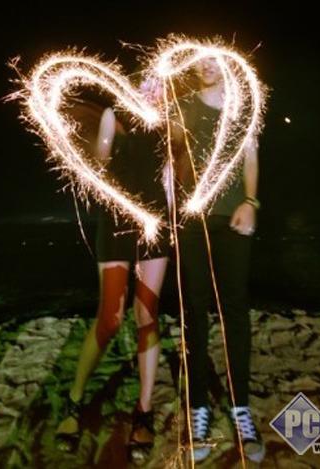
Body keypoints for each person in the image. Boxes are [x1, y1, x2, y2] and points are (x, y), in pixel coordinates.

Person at [55, 77, 169, 459]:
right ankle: (74, 399)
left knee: (146, 315)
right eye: (147, 83)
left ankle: (144, 411)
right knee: (110, 319)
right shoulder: (112, 116)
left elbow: (171, 177)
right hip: (117, 222)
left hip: (154, 224)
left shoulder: (170, 124)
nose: (152, 89)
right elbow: (99, 167)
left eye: (160, 85)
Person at [172, 57, 265, 463]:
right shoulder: (182, 105)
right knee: (194, 311)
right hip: (192, 222)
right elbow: (172, 153)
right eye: (201, 60)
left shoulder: (242, 107)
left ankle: (240, 407)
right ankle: (199, 408)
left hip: (232, 219)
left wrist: (250, 202)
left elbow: (250, 157)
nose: (207, 65)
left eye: (214, 59)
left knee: (234, 310)